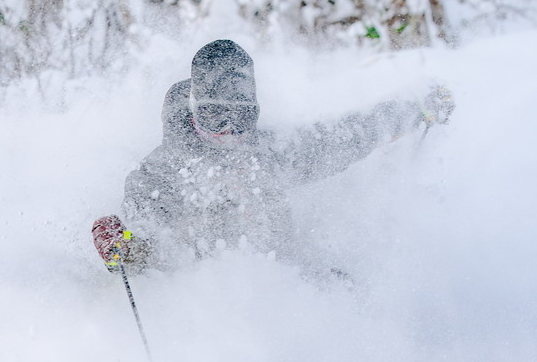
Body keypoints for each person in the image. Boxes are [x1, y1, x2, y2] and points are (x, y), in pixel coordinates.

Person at [92, 39, 454, 273]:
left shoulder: (271, 152)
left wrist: (414, 109)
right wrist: (122, 248)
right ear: (193, 111)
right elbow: (145, 255)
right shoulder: (157, 176)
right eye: (215, 115)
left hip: (283, 283)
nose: (230, 130)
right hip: (205, 302)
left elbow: (346, 137)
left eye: (243, 116)